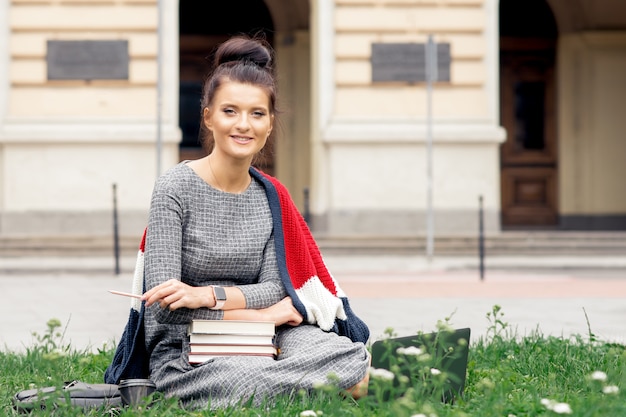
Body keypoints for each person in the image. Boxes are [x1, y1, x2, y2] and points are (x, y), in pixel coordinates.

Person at [139, 35, 370, 410]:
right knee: (252, 374)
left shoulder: (271, 196)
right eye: (230, 111)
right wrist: (259, 312)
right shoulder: (174, 187)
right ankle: (349, 382)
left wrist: (207, 295)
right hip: (190, 344)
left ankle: (339, 377)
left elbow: (275, 287)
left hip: (268, 333)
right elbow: (165, 305)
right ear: (208, 116)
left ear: (269, 122)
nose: (243, 125)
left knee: (344, 353)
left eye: (257, 113)